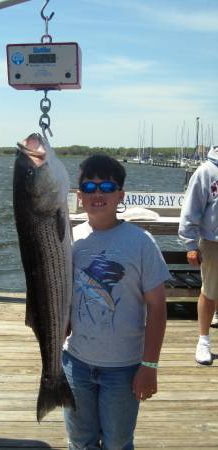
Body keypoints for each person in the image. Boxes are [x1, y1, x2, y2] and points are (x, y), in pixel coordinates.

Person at [63, 154, 170, 450]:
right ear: (79, 195)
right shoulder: (69, 239)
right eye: (90, 186)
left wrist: (149, 365)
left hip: (123, 369)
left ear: (120, 195)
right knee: (80, 442)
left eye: (107, 186)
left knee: (118, 443)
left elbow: (158, 307)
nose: (98, 193)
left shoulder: (141, 242)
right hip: (75, 363)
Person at [178, 145, 218, 365]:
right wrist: (191, 244)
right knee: (209, 291)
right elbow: (190, 210)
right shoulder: (206, 172)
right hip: (213, 242)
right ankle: (203, 340)